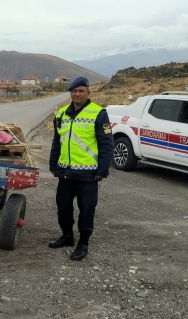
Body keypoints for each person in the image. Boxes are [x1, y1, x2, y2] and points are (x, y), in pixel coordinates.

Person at [48, 77, 113, 261]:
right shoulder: (61, 114)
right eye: (74, 91)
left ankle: (83, 243)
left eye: (81, 91)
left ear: (88, 92)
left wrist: (102, 170)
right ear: (70, 93)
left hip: (88, 174)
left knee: (86, 210)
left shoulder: (99, 113)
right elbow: (57, 141)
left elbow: (107, 144)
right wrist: (53, 165)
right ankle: (67, 236)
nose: (77, 94)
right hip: (66, 173)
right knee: (63, 208)